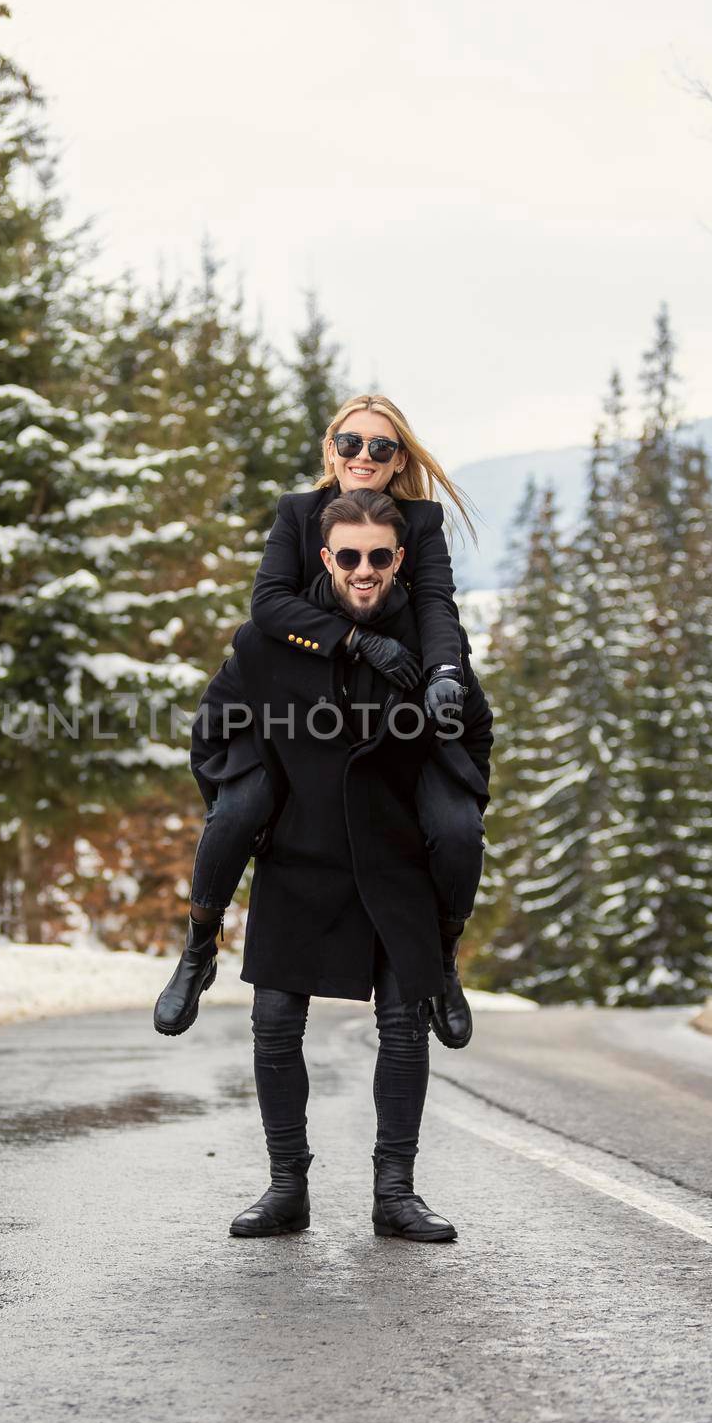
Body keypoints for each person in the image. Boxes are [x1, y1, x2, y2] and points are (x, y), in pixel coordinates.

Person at [162, 488, 494, 1239]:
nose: (364, 570)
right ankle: (286, 1188)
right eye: (349, 557)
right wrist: (254, 800)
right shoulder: (267, 641)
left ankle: (395, 1194)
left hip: (393, 858)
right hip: (302, 857)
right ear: (325, 558)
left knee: (404, 1027)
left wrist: (455, 792)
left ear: (399, 558)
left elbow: (475, 728)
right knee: (275, 1025)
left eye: (379, 557)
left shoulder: (432, 642)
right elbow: (209, 731)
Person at [154, 392, 487, 1048]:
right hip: (282, 697)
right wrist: (355, 641)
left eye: (380, 447)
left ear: (396, 462)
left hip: (381, 705)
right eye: (350, 443)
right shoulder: (296, 513)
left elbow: (436, 608)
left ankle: (444, 960)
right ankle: (197, 948)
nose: (362, 456)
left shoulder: (419, 523)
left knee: (456, 831)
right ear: (330, 449)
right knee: (237, 813)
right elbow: (269, 605)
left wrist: (445, 673)